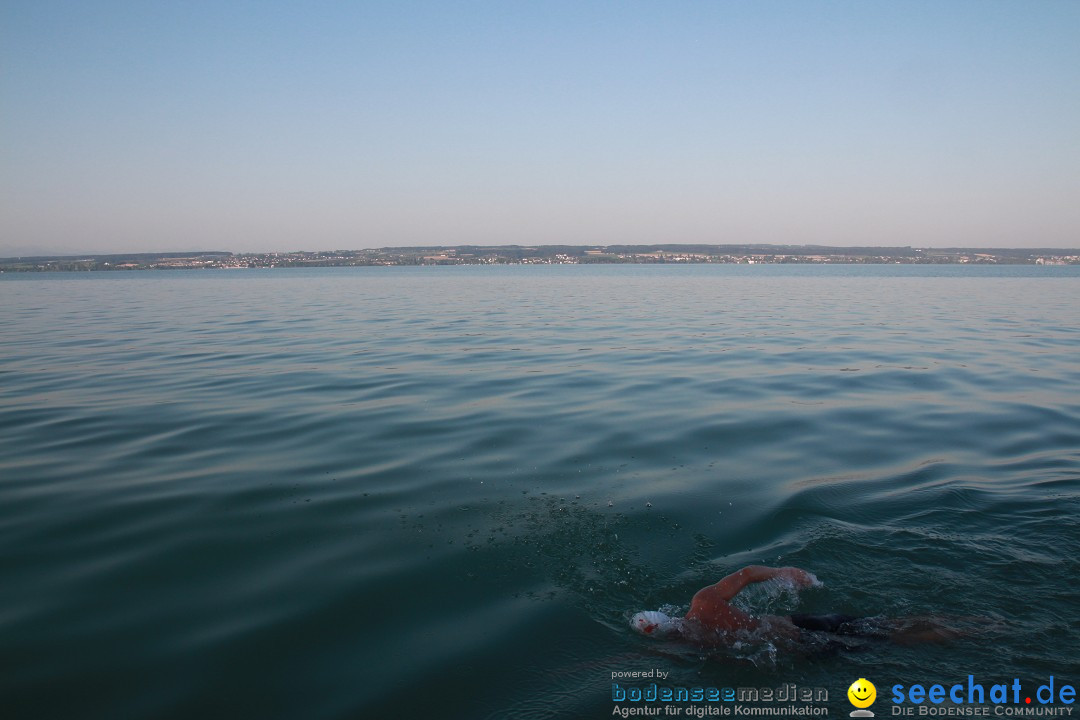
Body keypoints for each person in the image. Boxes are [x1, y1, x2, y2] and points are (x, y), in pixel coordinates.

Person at [631, 565, 956, 647]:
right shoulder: (704, 601)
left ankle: (962, 631)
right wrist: (784, 574)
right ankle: (972, 625)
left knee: (891, 639)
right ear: (668, 616)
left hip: (804, 643)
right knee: (887, 626)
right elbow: (745, 574)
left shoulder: (696, 645)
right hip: (803, 622)